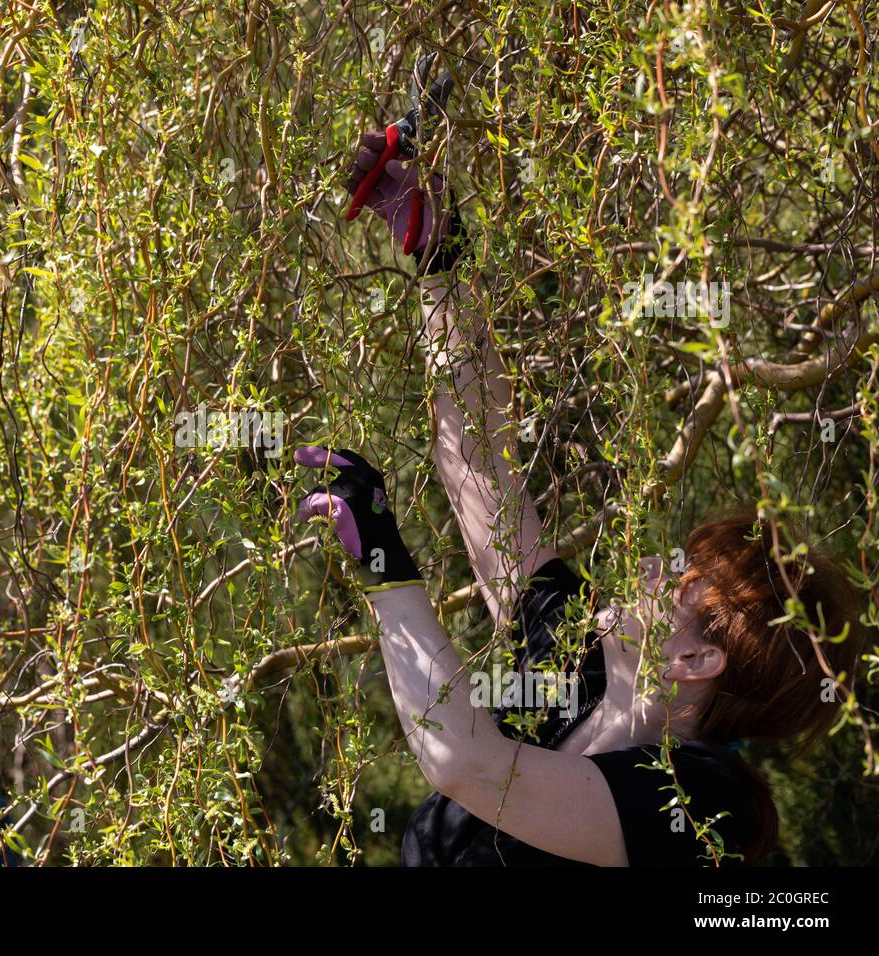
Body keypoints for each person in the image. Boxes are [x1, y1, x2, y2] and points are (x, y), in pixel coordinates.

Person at [293, 131, 864, 866]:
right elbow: (476, 468)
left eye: (683, 580)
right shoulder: (575, 654)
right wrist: (439, 261)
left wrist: (384, 565)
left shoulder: (705, 806)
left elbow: (465, 764)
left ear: (692, 659)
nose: (654, 563)